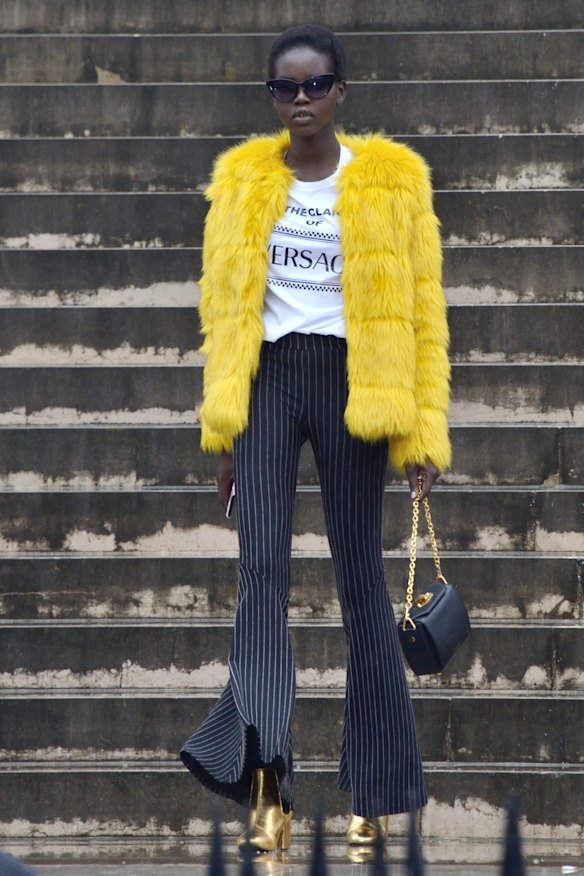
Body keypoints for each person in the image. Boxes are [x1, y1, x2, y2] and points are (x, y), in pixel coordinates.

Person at [180, 24, 450, 853]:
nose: (300, 100)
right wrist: (224, 432)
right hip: (265, 383)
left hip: (352, 382)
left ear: (342, 92)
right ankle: (268, 791)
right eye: (285, 88)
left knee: (360, 580)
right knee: (260, 575)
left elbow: (426, 311)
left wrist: (425, 432)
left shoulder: (393, 184)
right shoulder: (241, 185)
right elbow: (223, 313)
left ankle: (370, 793)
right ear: (272, 97)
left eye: (315, 84)